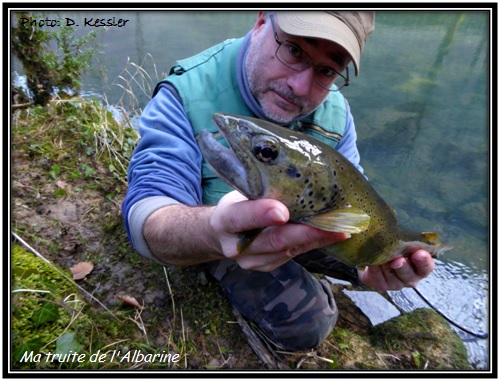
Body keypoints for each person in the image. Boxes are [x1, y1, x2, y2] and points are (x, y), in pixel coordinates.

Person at [122, 11, 436, 351]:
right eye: (294, 51)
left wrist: (367, 269)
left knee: (380, 259)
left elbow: (359, 206)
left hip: (308, 221)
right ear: (260, 23)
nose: (300, 86)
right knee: (310, 321)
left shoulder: (337, 115)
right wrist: (214, 232)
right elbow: (148, 218)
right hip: (207, 237)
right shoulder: (184, 93)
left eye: (327, 71)